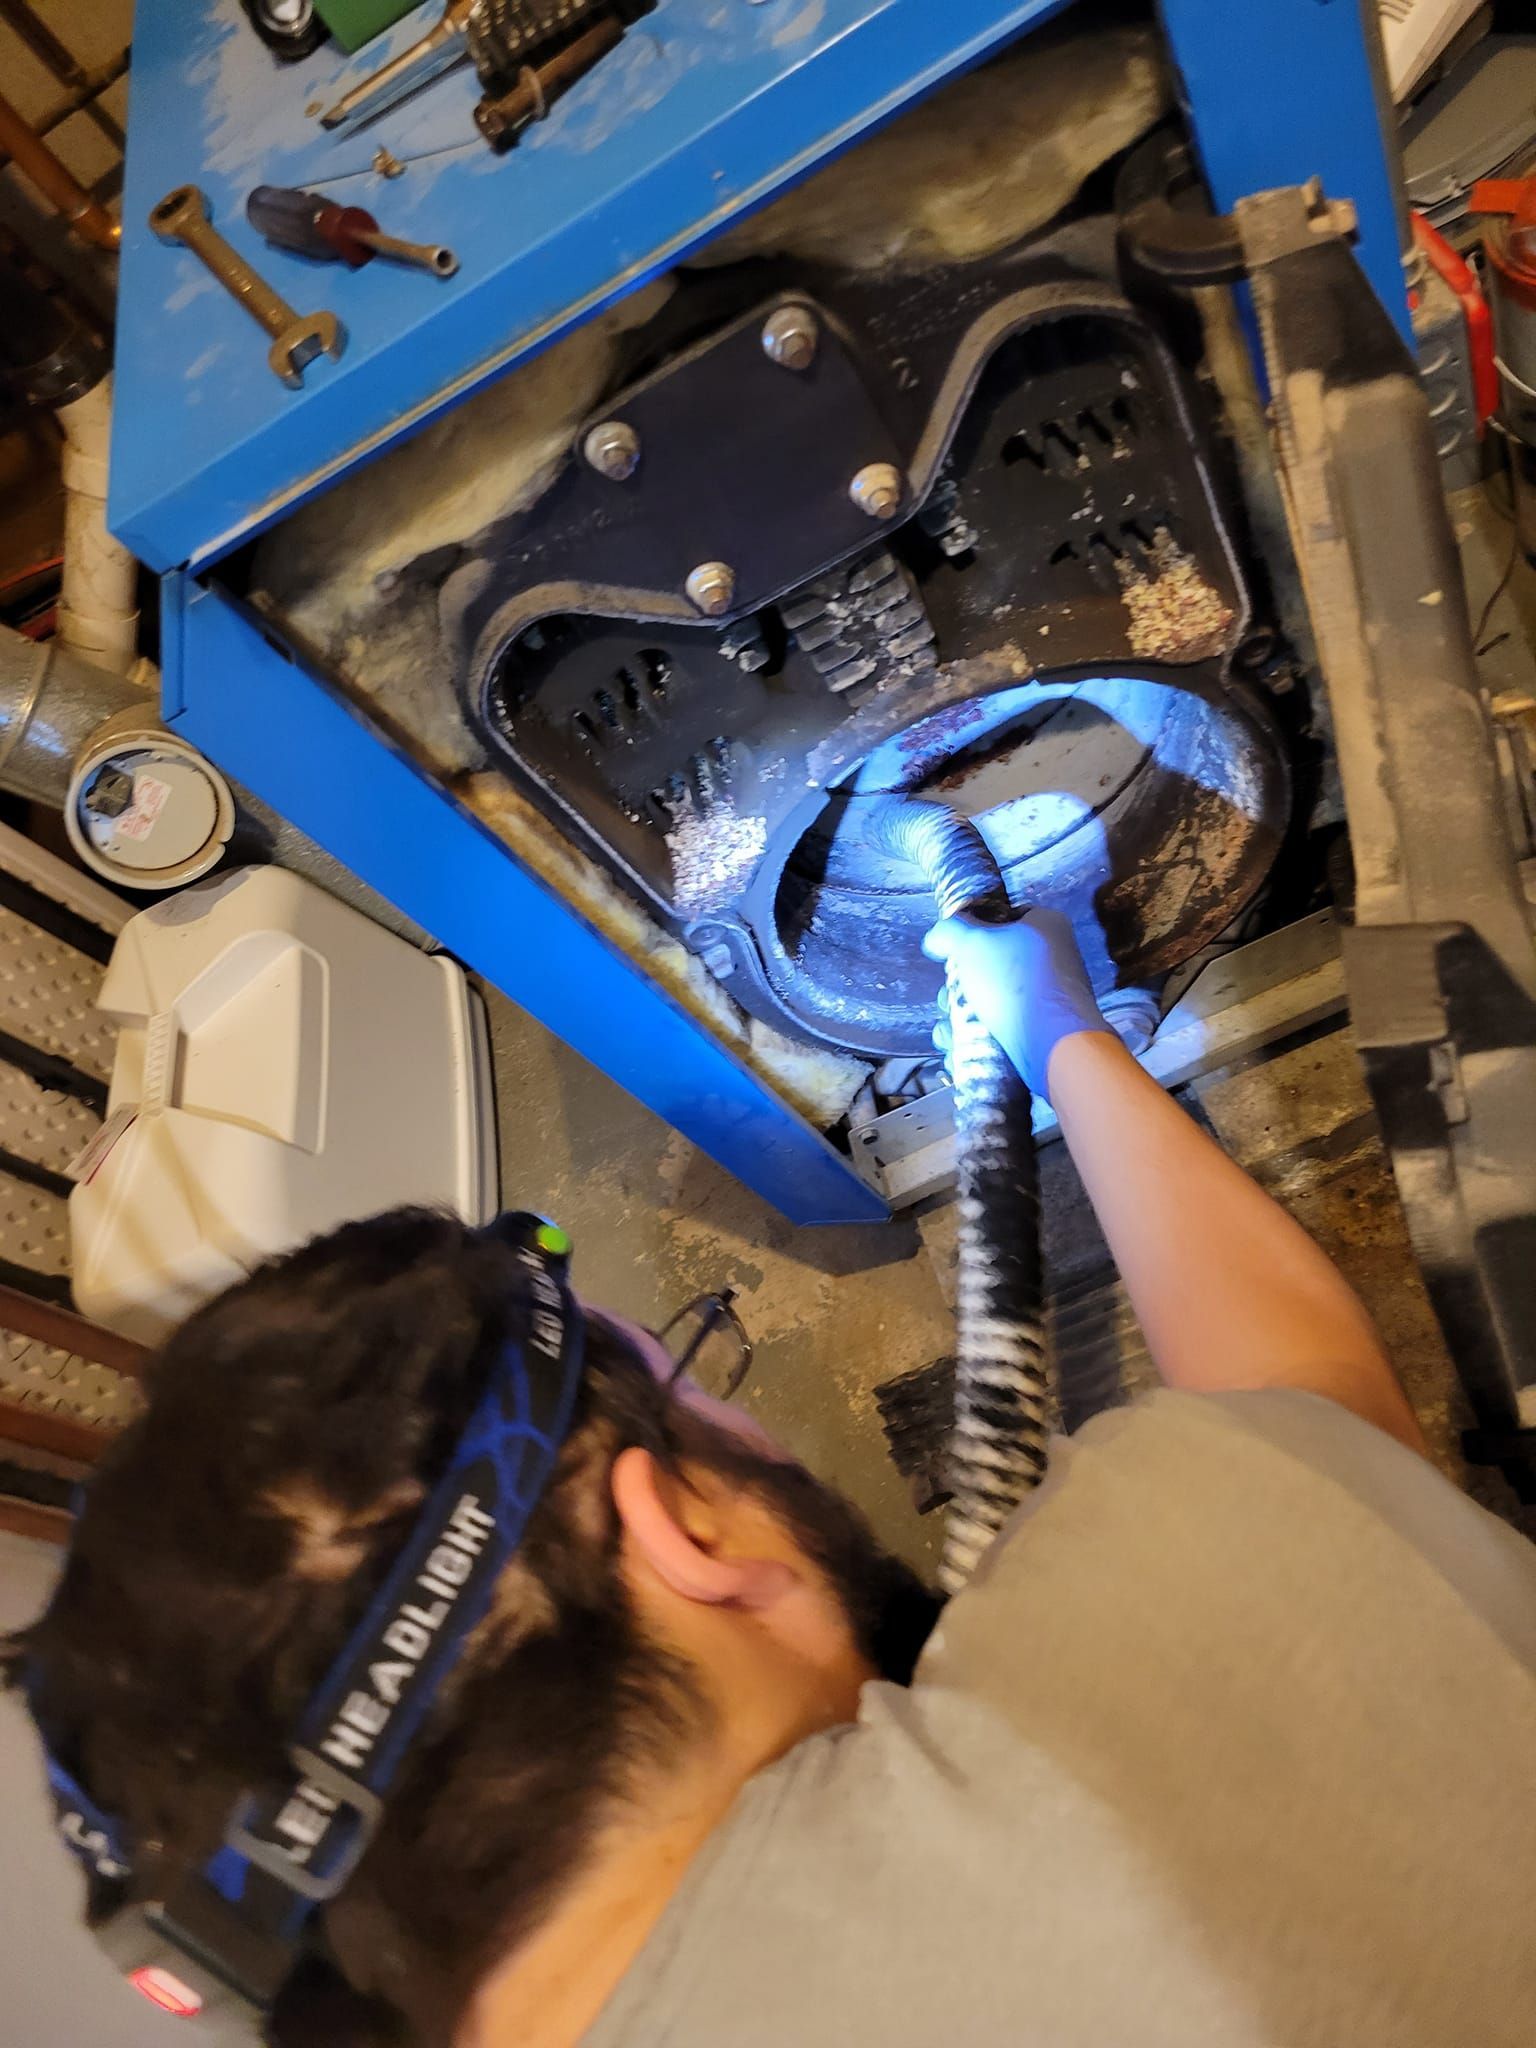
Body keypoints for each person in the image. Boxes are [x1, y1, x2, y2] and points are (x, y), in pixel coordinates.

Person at [9, 909, 1536, 2048]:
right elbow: (1307, 1406)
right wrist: (1057, 1024)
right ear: (683, 1535)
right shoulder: (1097, 1786)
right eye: (687, 1391)